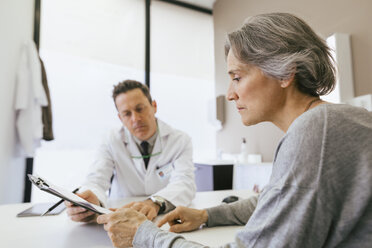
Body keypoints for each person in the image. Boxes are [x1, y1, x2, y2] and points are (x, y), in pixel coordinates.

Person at [96, 13, 372, 248]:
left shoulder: (315, 132)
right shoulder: (334, 121)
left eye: (237, 78)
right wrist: (206, 215)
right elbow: (273, 200)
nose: (230, 95)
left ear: (286, 72)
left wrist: (144, 235)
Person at [66, 80, 196, 222]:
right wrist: (90, 201)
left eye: (140, 109)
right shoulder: (110, 140)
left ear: (154, 106)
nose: (136, 119)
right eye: (127, 114)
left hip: (164, 218)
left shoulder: (179, 140)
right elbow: (96, 180)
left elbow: (184, 183)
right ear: (120, 118)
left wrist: (155, 202)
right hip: (122, 217)